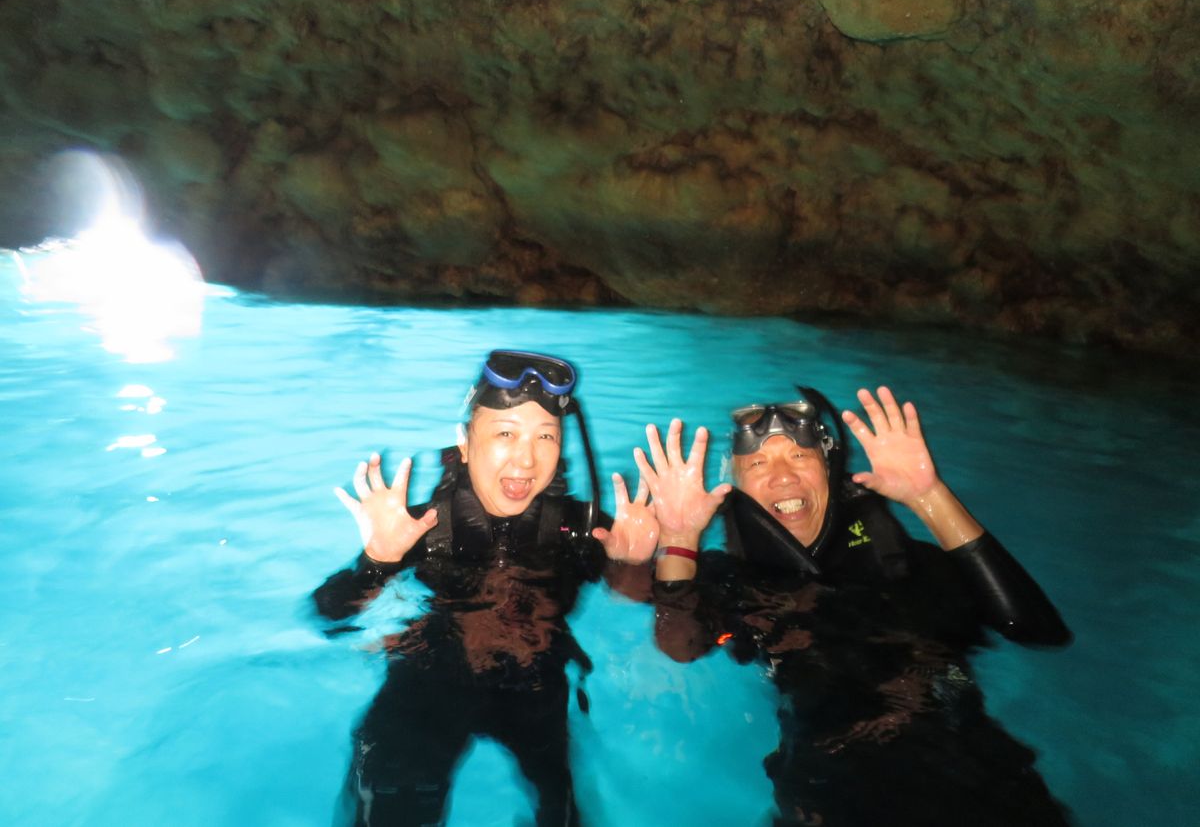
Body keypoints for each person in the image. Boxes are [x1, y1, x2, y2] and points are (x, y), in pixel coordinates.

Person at [634, 385, 1072, 826]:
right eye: (759, 464)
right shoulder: (730, 580)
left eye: (800, 456)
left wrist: (928, 495)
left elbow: (1036, 630)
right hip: (835, 784)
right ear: (736, 490)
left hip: (978, 773)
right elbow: (680, 646)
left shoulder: (910, 566)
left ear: (830, 470)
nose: (783, 477)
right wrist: (679, 537)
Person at [312, 351, 657, 827]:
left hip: (535, 688)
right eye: (505, 434)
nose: (526, 459)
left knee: (561, 814)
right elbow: (329, 613)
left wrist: (633, 564)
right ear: (466, 443)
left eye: (545, 436)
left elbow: (651, 609)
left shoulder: (583, 530)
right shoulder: (420, 528)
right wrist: (377, 562)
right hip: (429, 684)